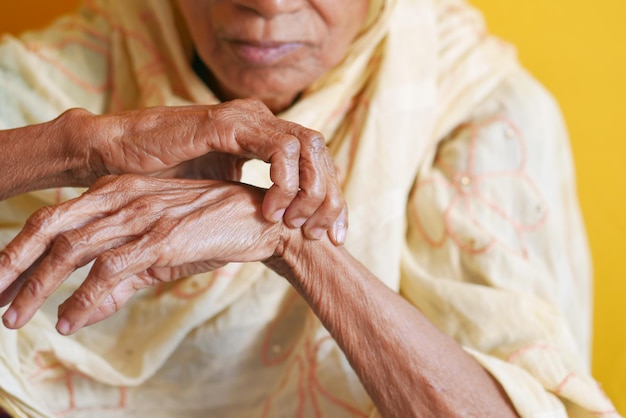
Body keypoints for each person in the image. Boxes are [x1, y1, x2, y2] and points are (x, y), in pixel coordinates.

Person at [0, 0, 619, 416]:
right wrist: (80, 144)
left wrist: (293, 238)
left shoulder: (476, 108)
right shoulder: (73, 63)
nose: (269, 4)